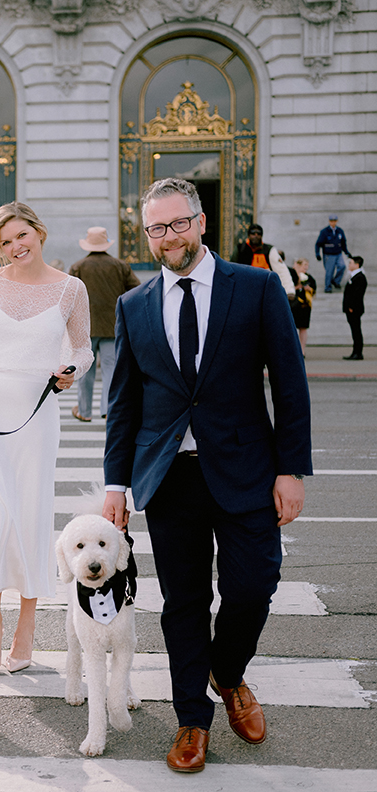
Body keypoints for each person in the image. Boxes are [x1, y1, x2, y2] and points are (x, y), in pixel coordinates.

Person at [102, 178, 312, 773]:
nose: (168, 237)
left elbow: (290, 385)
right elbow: (124, 405)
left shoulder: (256, 288)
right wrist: (116, 485)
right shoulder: (133, 305)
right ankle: (192, 718)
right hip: (169, 478)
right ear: (147, 235)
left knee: (254, 585)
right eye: (155, 228)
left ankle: (228, 672)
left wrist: (291, 469)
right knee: (184, 603)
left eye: (177, 223)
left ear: (200, 222)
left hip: (247, 470)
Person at [0, 202, 93, 674]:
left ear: (39, 231)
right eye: (5, 241)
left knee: (29, 513)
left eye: (21, 236)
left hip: (35, 414)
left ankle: (26, 624)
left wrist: (72, 369)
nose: (15, 247)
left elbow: (83, 348)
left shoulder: (72, 288)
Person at [69, 227, 140, 421]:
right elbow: (136, 290)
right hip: (112, 326)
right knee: (110, 370)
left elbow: (70, 297)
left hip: (85, 328)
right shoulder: (120, 266)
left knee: (85, 371)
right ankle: (108, 410)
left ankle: (84, 411)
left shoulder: (78, 267)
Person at [230, 223, 295, 298]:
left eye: (259, 233)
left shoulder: (269, 250)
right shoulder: (240, 249)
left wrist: (289, 291)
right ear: (248, 235)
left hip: (265, 290)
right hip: (244, 289)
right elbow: (232, 269)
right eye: (253, 233)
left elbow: (281, 270)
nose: (256, 236)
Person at [315, 214, 351, 293]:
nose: (333, 223)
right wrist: (317, 253)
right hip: (329, 254)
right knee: (329, 271)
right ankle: (328, 287)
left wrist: (347, 252)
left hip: (338, 253)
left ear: (336, 221)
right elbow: (318, 244)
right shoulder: (325, 231)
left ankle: (336, 281)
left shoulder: (339, 231)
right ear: (329, 221)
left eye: (334, 221)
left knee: (342, 266)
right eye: (331, 221)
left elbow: (343, 243)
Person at [289, 258, 317, 355]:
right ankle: (292, 349)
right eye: (304, 265)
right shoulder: (291, 275)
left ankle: (302, 350)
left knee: (303, 327)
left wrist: (309, 289)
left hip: (304, 306)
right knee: (291, 328)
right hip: (293, 305)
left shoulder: (309, 277)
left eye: (307, 265)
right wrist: (298, 286)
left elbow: (314, 288)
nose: (306, 267)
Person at [342, 255, 367, 360]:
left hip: (354, 309)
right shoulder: (354, 276)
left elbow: (357, 294)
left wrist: (352, 306)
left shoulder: (360, 277)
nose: (349, 265)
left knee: (356, 330)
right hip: (351, 308)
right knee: (354, 330)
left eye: (351, 263)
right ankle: (355, 352)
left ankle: (358, 352)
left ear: (357, 265)